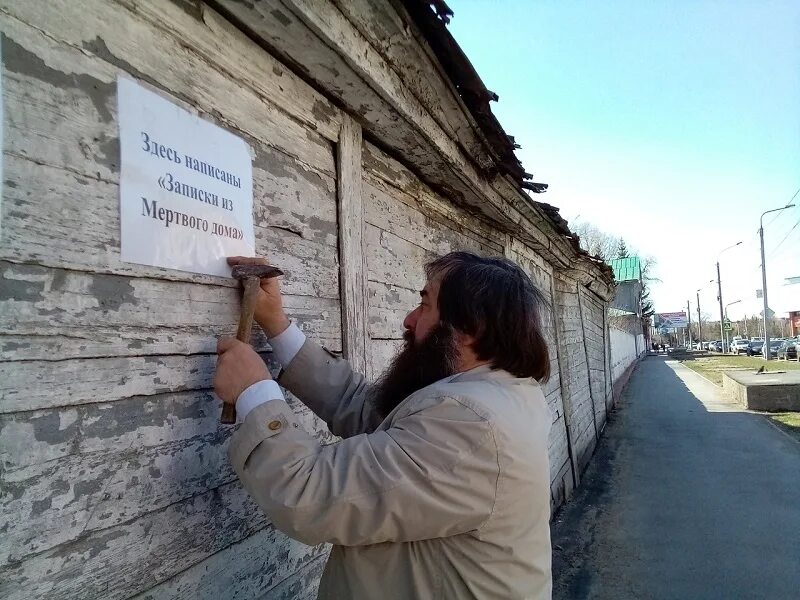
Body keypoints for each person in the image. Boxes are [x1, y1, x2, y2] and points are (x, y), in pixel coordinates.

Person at [214, 251, 553, 599]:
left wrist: (255, 393)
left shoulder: (473, 423)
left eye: (425, 306)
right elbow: (370, 414)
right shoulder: (497, 394)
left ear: (470, 330)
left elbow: (307, 494)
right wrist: (277, 327)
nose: (409, 319)